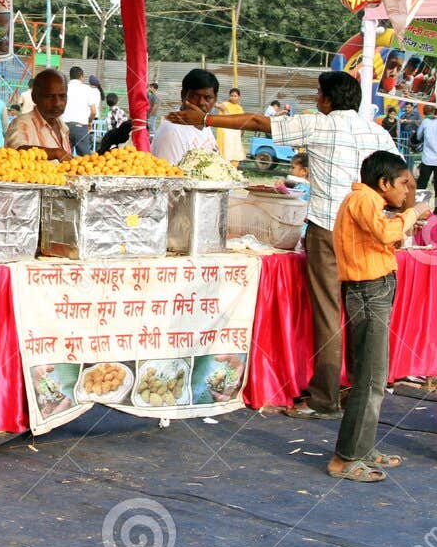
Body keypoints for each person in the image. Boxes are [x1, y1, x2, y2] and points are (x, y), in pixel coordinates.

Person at [168, 70, 395, 418]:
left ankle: (325, 398)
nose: (316, 101)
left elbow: (259, 122)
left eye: (318, 95)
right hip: (367, 234)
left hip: (329, 230)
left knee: (329, 313)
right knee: (361, 314)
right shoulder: (377, 133)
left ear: (328, 100)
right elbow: (400, 179)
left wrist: (209, 119)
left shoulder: (319, 125)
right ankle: (357, 391)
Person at [326, 150, 434, 482]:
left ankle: (362, 447)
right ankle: (345, 458)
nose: (406, 192)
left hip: (374, 288)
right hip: (368, 290)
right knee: (370, 379)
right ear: (383, 183)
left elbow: (383, 238)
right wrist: (413, 213)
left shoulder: (369, 203)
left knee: (372, 376)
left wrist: (403, 218)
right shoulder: (363, 201)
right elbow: (387, 234)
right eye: (403, 184)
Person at [151, 69, 222, 166]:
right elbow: (169, 176)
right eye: (195, 96)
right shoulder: (172, 131)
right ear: (183, 95)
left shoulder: (204, 122)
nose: (201, 103)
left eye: (208, 98)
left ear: (215, 99)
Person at [5, 68, 73, 160]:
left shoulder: (63, 127)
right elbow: (15, 152)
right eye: (49, 96)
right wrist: (55, 153)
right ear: (34, 97)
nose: (57, 103)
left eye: (62, 96)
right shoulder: (22, 124)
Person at [62, 65, 99, 155]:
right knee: (85, 160)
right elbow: (94, 111)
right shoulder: (87, 89)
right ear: (81, 77)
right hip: (81, 128)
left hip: (63, 127)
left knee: (63, 157)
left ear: (70, 76)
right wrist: (90, 121)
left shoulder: (63, 88)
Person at [216, 88, 245, 164]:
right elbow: (216, 105)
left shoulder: (239, 108)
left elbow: (239, 121)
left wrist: (241, 132)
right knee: (225, 152)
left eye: (235, 96)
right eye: (231, 96)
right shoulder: (225, 104)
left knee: (235, 152)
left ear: (239, 97)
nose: (233, 97)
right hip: (225, 132)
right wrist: (224, 109)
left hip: (235, 133)